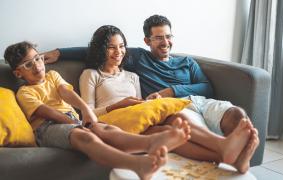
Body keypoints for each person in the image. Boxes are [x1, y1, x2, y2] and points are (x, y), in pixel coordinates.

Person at [78, 24, 259, 173]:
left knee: (176, 121)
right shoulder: (91, 75)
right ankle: (223, 154)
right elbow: (86, 114)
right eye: (111, 47)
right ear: (101, 50)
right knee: (161, 134)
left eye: (121, 46)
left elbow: (142, 107)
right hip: (111, 121)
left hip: (137, 117)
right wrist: (118, 105)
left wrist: (148, 102)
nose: (118, 52)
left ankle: (226, 149)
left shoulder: (132, 76)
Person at [4, 41, 193, 180]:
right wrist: (77, 124)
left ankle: (150, 143)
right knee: (86, 137)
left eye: (37, 59)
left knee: (109, 130)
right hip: (47, 128)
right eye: (28, 64)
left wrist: (86, 110)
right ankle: (138, 164)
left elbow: (66, 93)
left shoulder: (53, 75)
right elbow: (49, 113)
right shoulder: (24, 92)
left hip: (73, 119)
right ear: (18, 73)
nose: (37, 65)